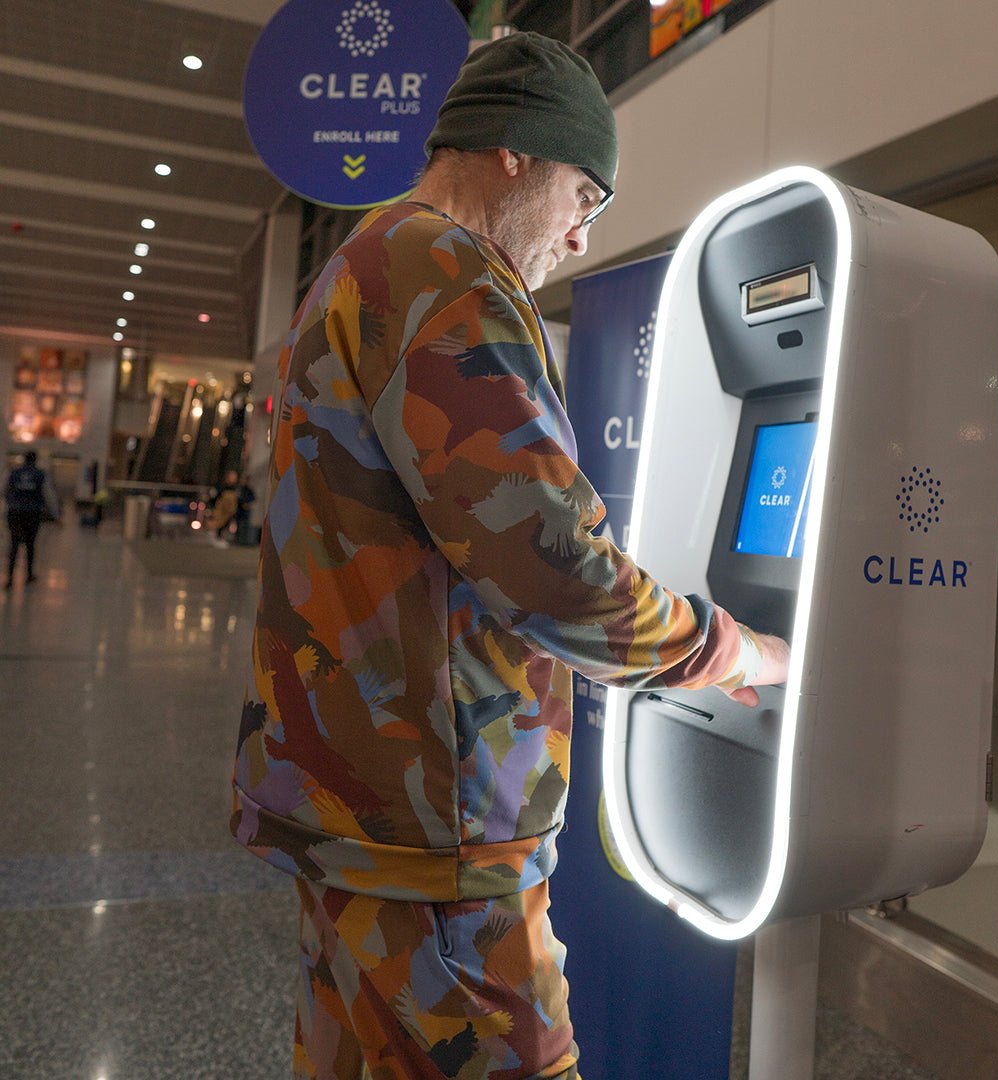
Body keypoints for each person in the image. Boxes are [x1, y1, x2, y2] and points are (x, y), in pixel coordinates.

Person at [230, 31, 789, 1080]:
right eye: (587, 197)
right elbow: (552, 566)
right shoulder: (444, 273)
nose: (580, 239)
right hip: (430, 828)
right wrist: (740, 651)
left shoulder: (363, 262)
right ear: (515, 156)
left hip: (352, 800)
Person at [5, 448, 50, 589]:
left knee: (14, 544)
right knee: (31, 544)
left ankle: (10, 578)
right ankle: (29, 575)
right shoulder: (41, 474)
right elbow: (48, 495)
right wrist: (55, 515)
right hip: (33, 513)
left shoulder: (13, 473)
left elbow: (3, 489)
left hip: (15, 512)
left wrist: (10, 502)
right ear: (35, 460)